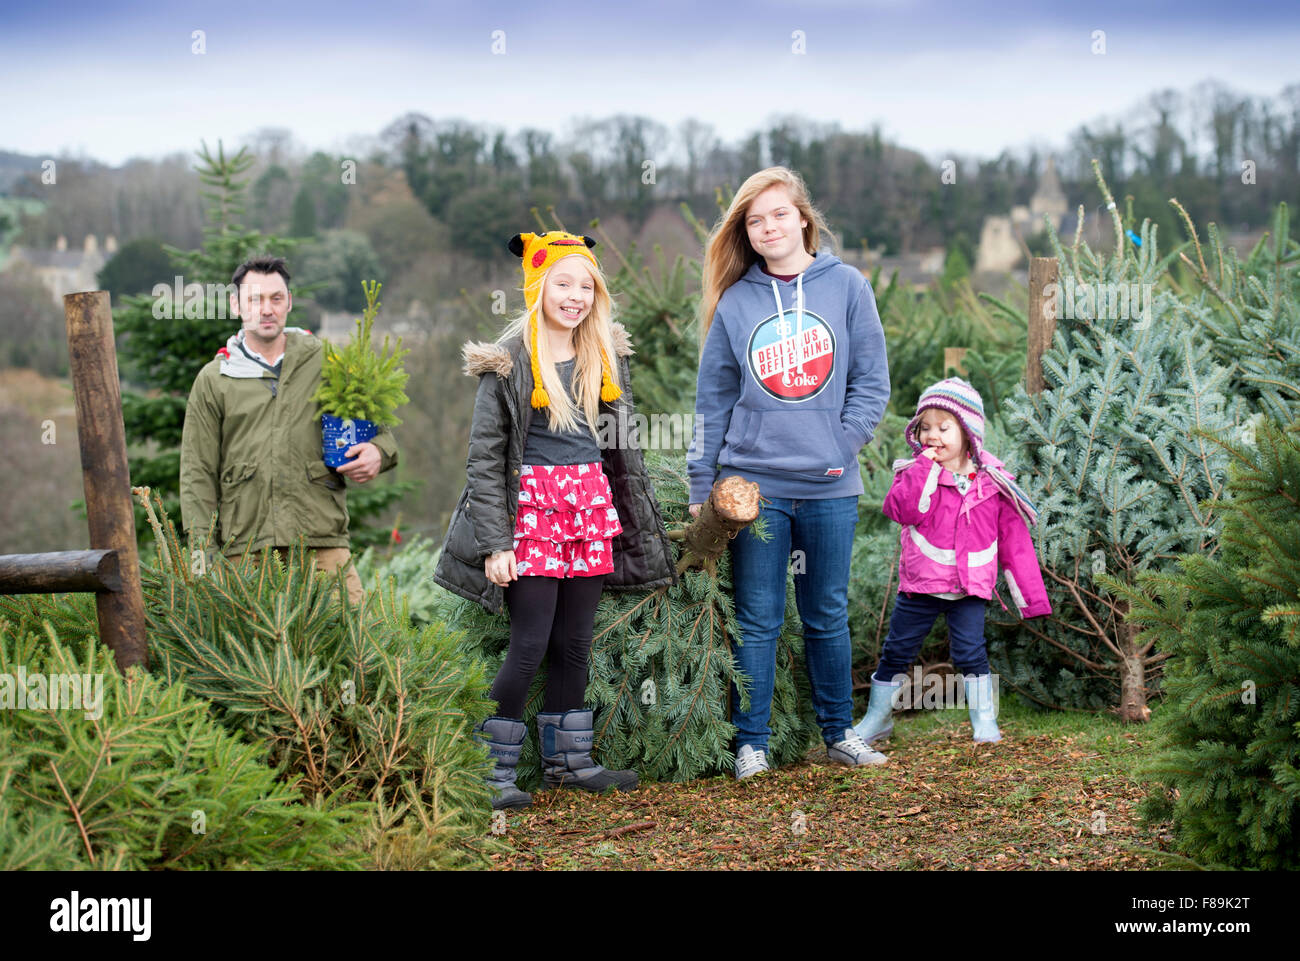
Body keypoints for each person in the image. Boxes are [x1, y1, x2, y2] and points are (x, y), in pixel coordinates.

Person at [433, 230, 677, 810]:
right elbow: (485, 460)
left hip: (588, 507)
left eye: (586, 285)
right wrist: (496, 543)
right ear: (538, 287)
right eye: (562, 284)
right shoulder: (510, 362)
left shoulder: (603, 358)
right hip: (532, 515)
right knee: (530, 642)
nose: (575, 296)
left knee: (574, 642)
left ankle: (570, 761)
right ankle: (489, 772)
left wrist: (631, 515)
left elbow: (622, 453)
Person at [688, 166, 892, 779]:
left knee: (826, 613)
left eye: (778, 214)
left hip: (830, 483)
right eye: (754, 221)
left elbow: (872, 381)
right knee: (759, 617)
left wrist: (842, 440)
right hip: (756, 487)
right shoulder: (737, 300)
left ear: (802, 217)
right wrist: (704, 485)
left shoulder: (847, 285)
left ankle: (839, 733)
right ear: (745, 234)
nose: (768, 227)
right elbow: (712, 400)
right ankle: (751, 743)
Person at [179, 255, 399, 605]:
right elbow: (197, 473)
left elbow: (381, 432)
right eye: (255, 299)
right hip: (245, 550)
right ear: (236, 304)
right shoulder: (214, 379)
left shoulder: (329, 362)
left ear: (289, 303)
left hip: (321, 544)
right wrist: (202, 557)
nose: (266, 309)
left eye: (276, 298)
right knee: (251, 655)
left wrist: (378, 452)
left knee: (356, 648)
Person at [853, 377, 1051, 748]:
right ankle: (877, 718)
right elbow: (901, 511)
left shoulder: (992, 484)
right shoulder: (914, 474)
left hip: (969, 588)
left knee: (970, 650)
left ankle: (984, 721)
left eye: (944, 428)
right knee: (898, 649)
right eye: (924, 427)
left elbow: (1014, 543)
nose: (932, 436)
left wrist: (1031, 598)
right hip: (921, 585)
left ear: (968, 433)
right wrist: (921, 472)